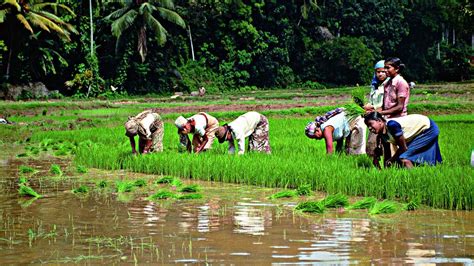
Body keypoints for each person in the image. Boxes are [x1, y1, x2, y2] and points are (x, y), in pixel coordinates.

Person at [364, 112, 442, 168]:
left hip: (427, 129)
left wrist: (392, 160)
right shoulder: (382, 135)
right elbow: (387, 153)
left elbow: (403, 148)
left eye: (371, 124)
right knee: (400, 160)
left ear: (379, 121)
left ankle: (414, 180)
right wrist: (386, 168)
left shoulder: (392, 125)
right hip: (416, 133)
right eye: (368, 126)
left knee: (404, 159)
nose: (370, 128)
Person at [364, 60, 389, 167]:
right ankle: (378, 169)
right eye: (378, 72)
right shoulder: (374, 86)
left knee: (387, 144)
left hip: (385, 119)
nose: (380, 74)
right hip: (374, 119)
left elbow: (388, 104)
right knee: (371, 145)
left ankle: (389, 167)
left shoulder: (389, 85)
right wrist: (366, 107)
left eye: (383, 71)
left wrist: (373, 108)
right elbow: (371, 101)